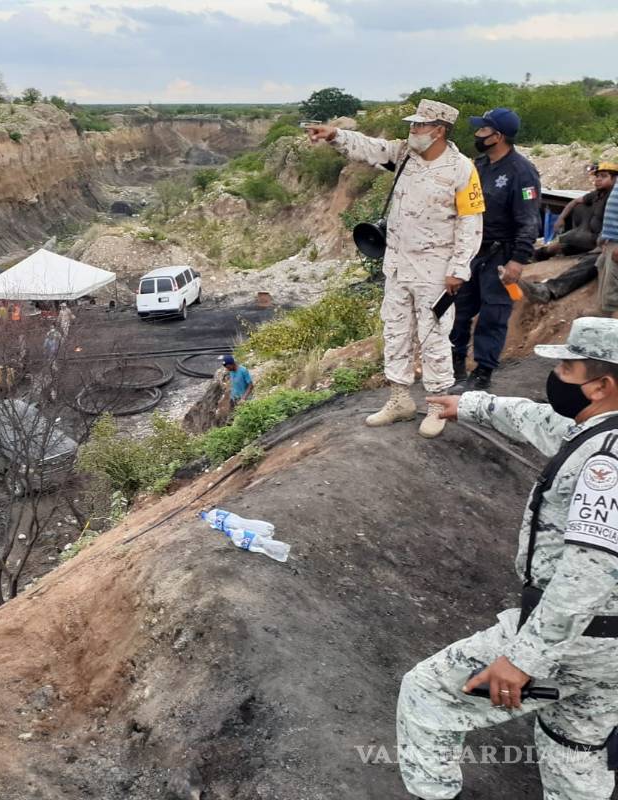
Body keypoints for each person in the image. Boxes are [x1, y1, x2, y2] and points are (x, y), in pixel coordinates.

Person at [399, 317, 618, 800]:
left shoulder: (606, 462)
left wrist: (523, 659)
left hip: (579, 639)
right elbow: (538, 420)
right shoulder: (598, 434)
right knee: (573, 748)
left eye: (567, 371)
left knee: (427, 694)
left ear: (600, 386)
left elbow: (590, 573)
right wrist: (470, 405)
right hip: (610, 654)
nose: (556, 378)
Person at [308, 99, 484, 438]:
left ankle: (436, 406)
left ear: (439, 130)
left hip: (435, 270)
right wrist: (334, 135)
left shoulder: (461, 169)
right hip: (398, 265)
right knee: (396, 332)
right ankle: (400, 399)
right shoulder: (404, 154)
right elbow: (370, 148)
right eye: (412, 125)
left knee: (433, 337)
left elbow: (470, 222)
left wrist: (459, 269)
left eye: (419, 126)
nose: (412, 130)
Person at [449, 108, 542, 395]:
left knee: (493, 315)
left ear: (497, 136)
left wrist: (518, 260)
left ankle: (482, 375)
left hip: (501, 255)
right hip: (472, 251)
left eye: (482, 130)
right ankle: (455, 370)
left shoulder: (522, 172)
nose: (477, 135)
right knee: (459, 313)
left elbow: (530, 221)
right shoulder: (478, 166)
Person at [535, 162, 616, 261]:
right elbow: (575, 201)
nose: (598, 179)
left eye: (603, 176)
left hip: (599, 241)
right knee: (553, 248)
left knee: (559, 244)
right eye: (597, 176)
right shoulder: (596, 195)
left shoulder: (613, 198)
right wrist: (561, 218)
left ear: (615, 179)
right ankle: (536, 256)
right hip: (585, 236)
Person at [600, 177, 618, 319]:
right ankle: (606, 313)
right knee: (601, 265)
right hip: (612, 240)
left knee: (614, 297)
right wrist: (607, 235)